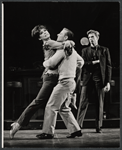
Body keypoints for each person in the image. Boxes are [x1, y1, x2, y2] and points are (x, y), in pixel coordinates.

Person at [9, 25, 75, 139]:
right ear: (40, 38)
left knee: (63, 105)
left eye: (45, 31)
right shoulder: (48, 43)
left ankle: (75, 130)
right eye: (41, 33)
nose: (45, 33)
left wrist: (69, 43)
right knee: (38, 101)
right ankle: (18, 124)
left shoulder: (52, 41)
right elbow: (63, 46)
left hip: (57, 78)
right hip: (50, 77)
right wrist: (70, 42)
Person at [36, 28, 84, 139]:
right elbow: (81, 61)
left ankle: (48, 132)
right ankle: (75, 130)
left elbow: (51, 63)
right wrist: (72, 68)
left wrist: (44, 62)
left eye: (61, 33)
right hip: (71, 82)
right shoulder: (72, 50)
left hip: (64, 82)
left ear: (65, 38)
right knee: (63, 108)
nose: (57, 34)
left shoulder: (62, 50)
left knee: (51, 106)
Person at [77, 30, 112, 133]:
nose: (91, 39)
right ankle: (78, 126)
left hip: (99, 79)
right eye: (89, 37)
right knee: (83, 102)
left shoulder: (104, 50)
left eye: (92, 37)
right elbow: (82, 64)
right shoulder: (85, 51)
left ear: (97, 37)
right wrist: (93, 62)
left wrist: (108, 82)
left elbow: (108, 66)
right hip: (87, 79)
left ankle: (98, 126)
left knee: (99, 103)